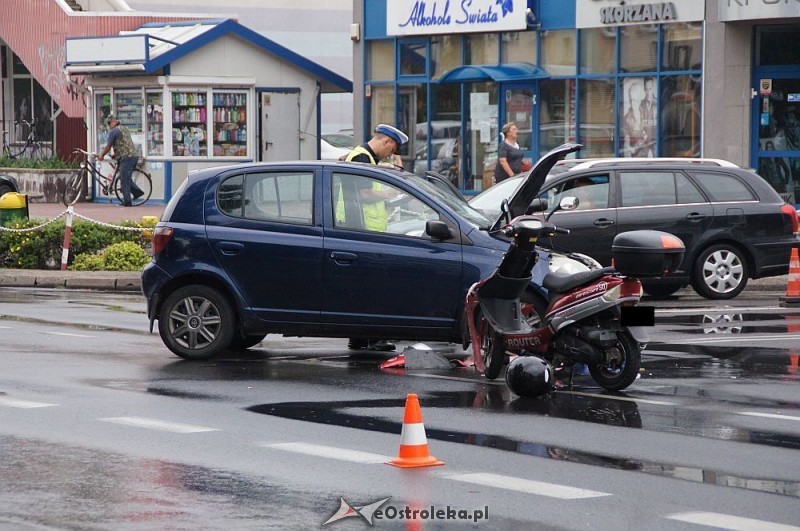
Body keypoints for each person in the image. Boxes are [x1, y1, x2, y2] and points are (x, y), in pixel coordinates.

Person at [343, 123, 409, 353]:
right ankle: (375, 338)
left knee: (360, 286)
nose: (391, 154)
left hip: (359, 230)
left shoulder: (365, 157)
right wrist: (389, 193)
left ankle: (359, 337)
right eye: (392, 149)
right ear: (386, 142)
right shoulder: (362, 158)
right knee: (373, 286)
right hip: (361, 230)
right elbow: (363, 194)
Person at [98, 114, 144, 206]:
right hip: (133, 156)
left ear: (114, 122)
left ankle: (127, 202)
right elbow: (123, 143)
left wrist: (101, 155)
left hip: (126, 157)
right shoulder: (124, 128)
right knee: (126, 177)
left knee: (124, 180)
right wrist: (115, 154)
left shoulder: (114, 131)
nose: (109, 125)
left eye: (109, 123)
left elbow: (108, 146)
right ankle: (137, 192)